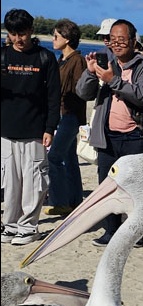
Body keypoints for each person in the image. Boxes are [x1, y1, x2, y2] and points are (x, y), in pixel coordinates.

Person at [75, 18, 143, 245]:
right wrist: (91, 73)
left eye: (121, 40)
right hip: (107, 136)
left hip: (135, 136)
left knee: (135, 188)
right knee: (107, 187)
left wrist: (113, 80)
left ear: (132, 41)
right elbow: (83, 93)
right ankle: (111, 230)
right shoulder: (106, 64)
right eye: (112, 40)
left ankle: (135, 232)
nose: (116, 44)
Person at [1, 8, 60, 245]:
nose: (18, 39)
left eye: (23, 33)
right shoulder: (3, 56)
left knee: (34, 183)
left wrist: (50, 128)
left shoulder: (45, 58)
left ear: (31, 31)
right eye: (13, 34)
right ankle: (10, 225)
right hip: (6, 132)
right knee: (10, 183)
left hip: (35, 131)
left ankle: (28, 226)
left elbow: (54, 96)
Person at [46, 18, 87, 216]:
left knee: (54, 157)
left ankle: (61, 201)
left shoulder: (77, 60)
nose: (53, 39)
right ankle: (74, 201)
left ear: (67, 38)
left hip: (69, 115)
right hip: (63, 114)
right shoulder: (62, 60)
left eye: (56, 36)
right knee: (69, 158)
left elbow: (81, 90)